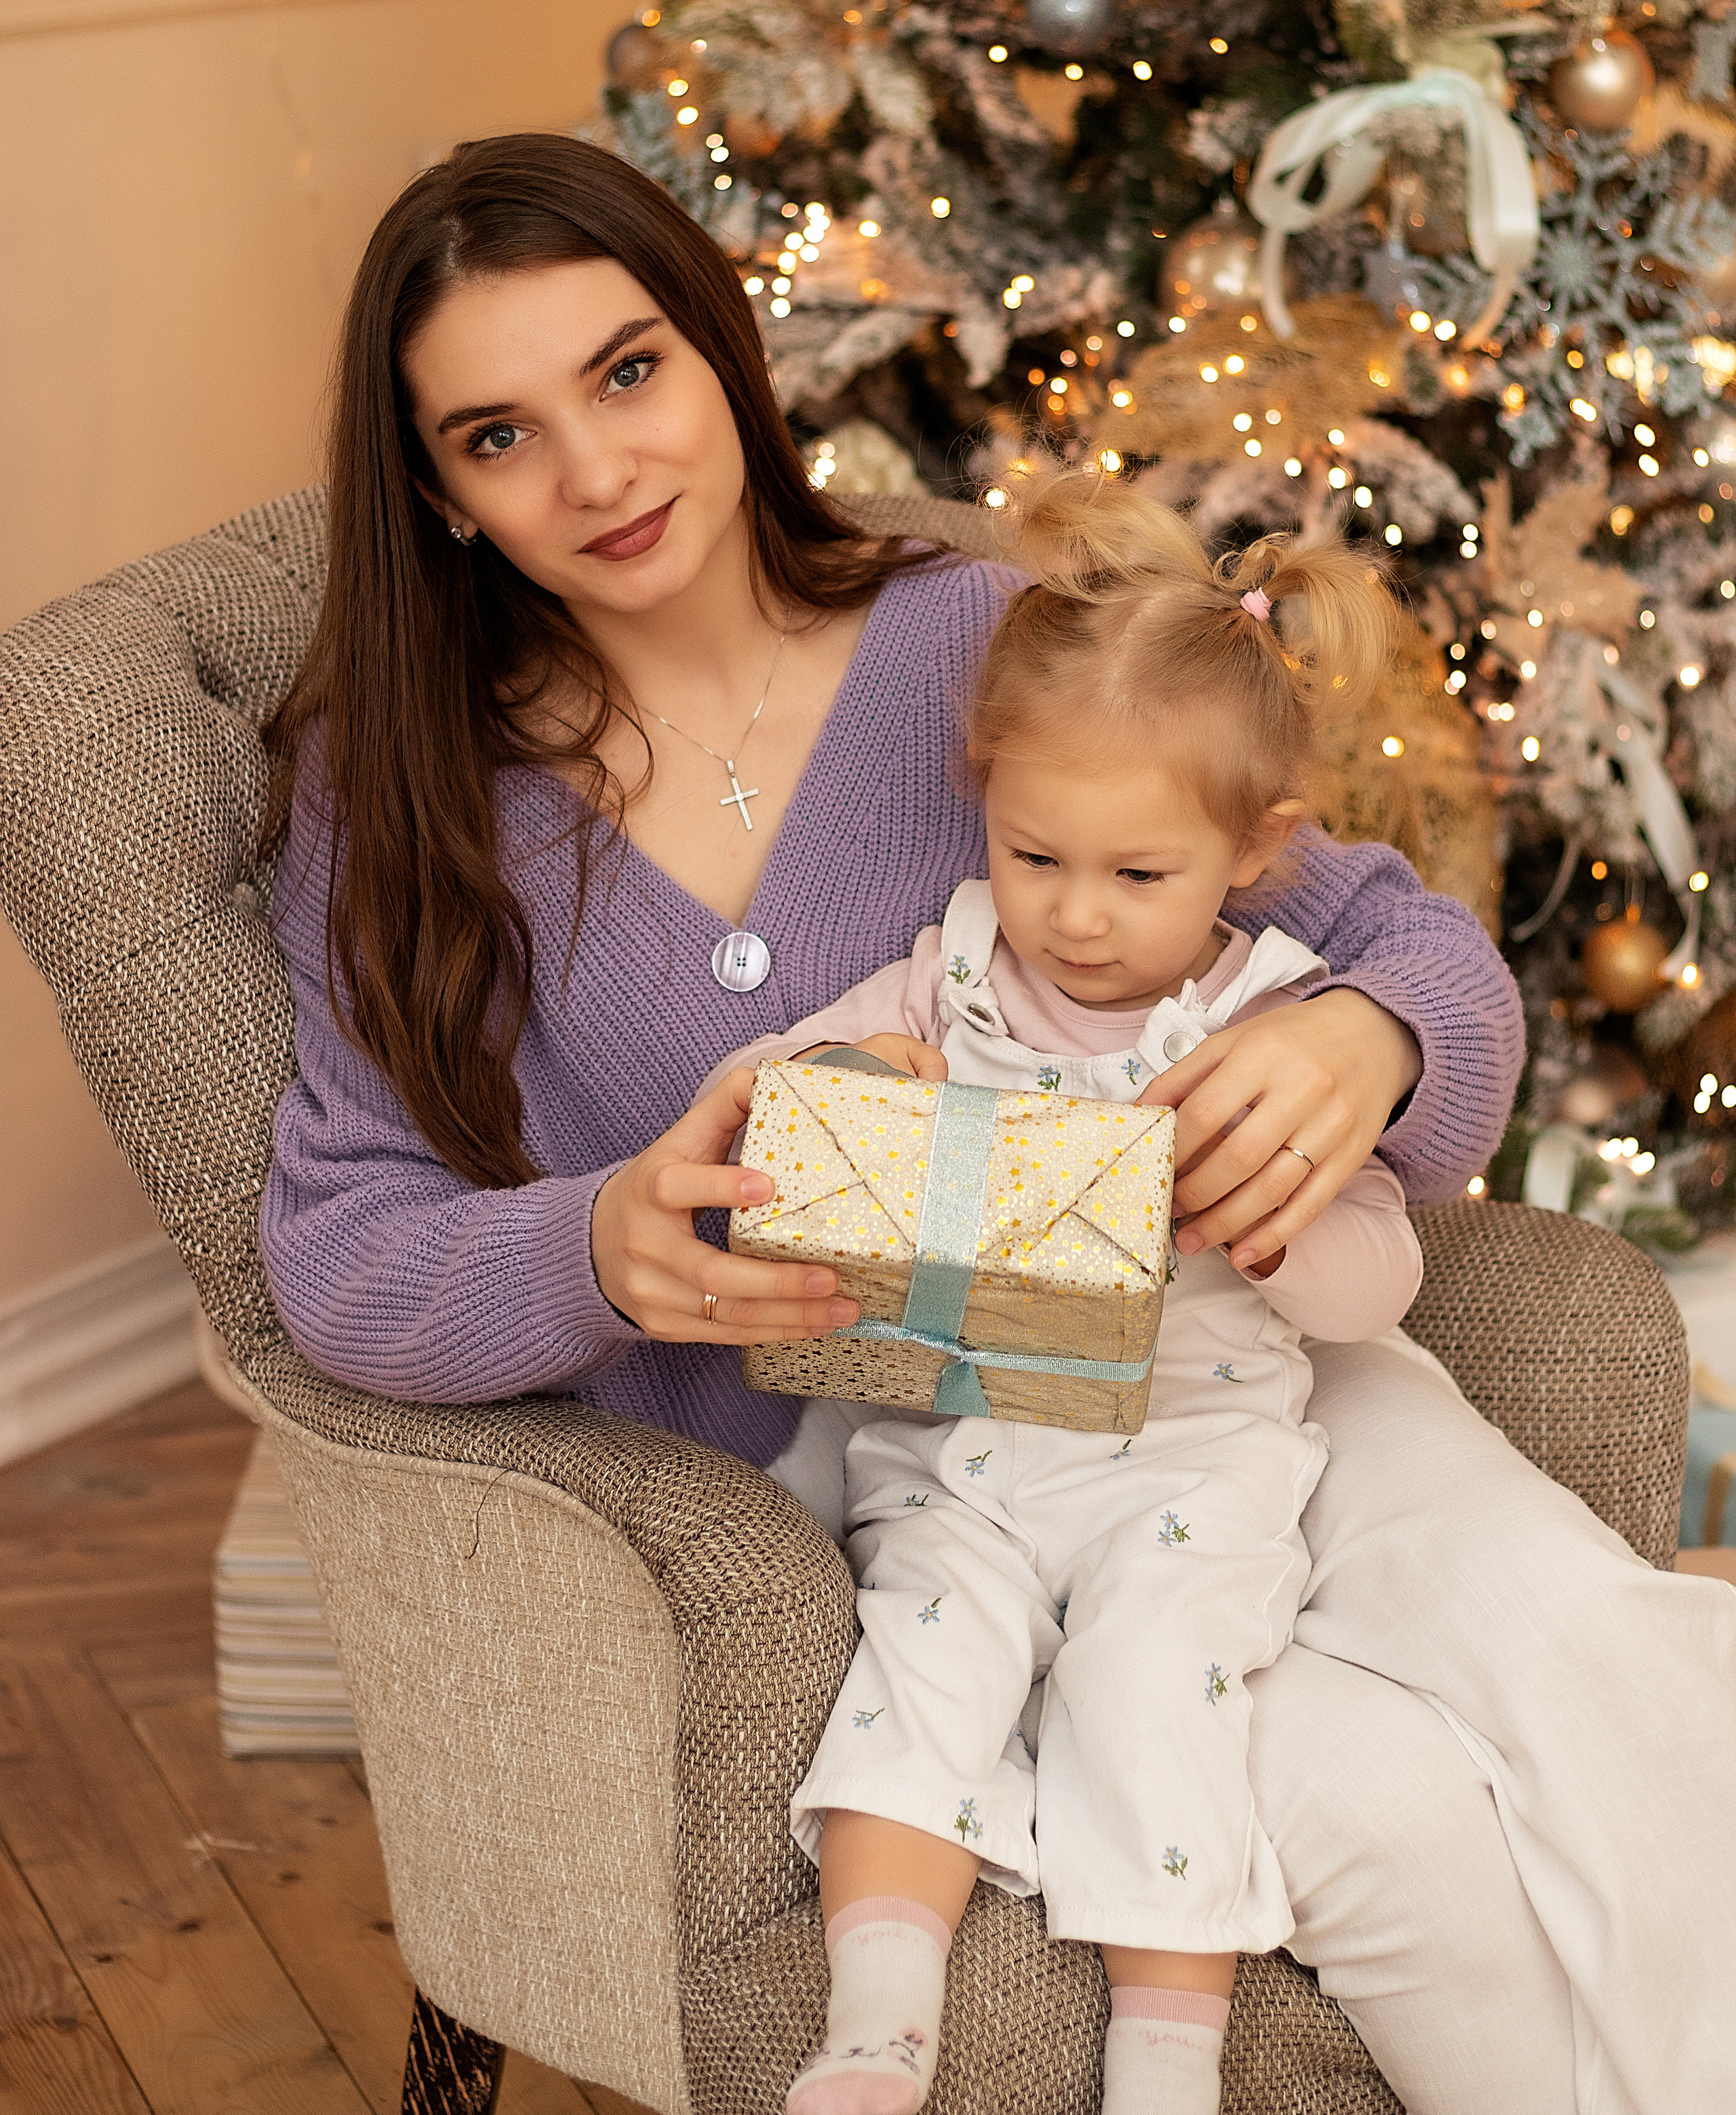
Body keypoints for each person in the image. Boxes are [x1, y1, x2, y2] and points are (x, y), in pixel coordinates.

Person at [260, 133, 1735, 2115]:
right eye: (499, 435)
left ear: (720, 356)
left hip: (1246, 1375)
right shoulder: (400, 794)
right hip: (931, 1483)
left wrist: (1371, 1043)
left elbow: (1392, 931)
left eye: (629, 375)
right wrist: (594, 1245)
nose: (599, 472)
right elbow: (340, 1255)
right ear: (437, 492)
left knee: (1589, 1647)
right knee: (1391, 1834)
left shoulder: (968, 633)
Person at [711, 476, 1423, 2115]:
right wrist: (840, 1074)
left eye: (1136, 874)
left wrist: (1268, 1223)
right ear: (986, 812)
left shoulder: (1267, 1019)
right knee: (920, 1653)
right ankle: (877, 2027)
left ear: (1251, 855)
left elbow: (1380, 1268)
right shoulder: (950, 973)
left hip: (1184, 1456)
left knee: (1154, 1689)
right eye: (1033, 852)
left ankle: (1161, 2072)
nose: (1075, 916)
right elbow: (764, 1089)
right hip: (962, 1437)